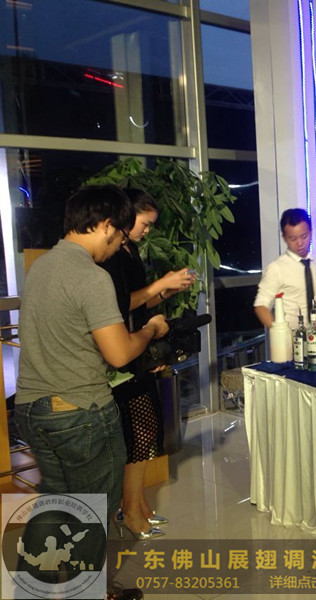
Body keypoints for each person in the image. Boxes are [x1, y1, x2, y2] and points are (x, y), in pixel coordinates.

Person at [14, 184, 169, 600]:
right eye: (118, 237)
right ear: (105, 225)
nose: (117, 246)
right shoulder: (91, 276)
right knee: (91, 512)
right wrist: (150, 330)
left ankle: (37, 590)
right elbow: (119, 353)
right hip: (80, 412)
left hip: (33, 410)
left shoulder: (40, 268)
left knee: (55, 504)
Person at [99, 188, 195, 539]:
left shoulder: (130, 250)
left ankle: (136, 504)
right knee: (139, 432)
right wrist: (160, 284)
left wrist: (166, 291)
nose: (147, 230)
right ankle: (130, 509)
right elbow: (117, 304)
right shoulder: (110, 256)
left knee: (144, 432)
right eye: (145, 223)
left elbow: (138, 301)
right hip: (121, 351)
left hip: (138, 344)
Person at [254, 208, 316, 329]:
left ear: (311, 232)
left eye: (304, 236)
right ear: (284, 238)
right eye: (293, 239)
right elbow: (261, 306)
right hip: (289, 337)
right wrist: (279, 333)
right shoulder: (276, 268)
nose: (300, 243)